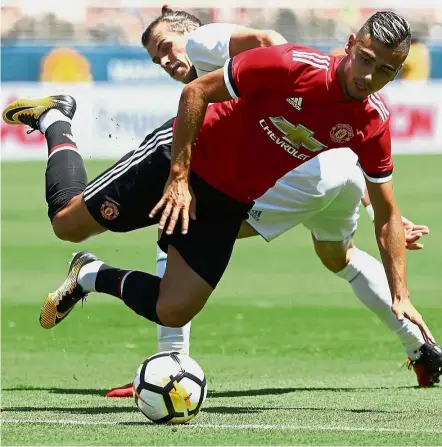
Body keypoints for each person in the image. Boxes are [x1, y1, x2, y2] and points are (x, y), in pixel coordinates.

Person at [3, 11, 441, 390]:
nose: (369, 76)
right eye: (365, 59)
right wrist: (178, 178)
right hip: (182, 159)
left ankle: (90, 274)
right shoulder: (291, 66)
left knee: (173, 310)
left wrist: (400, 294)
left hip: (229, 201)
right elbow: (196, 93)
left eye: (385, 70)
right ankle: (56, 117)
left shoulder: (372, 122)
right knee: (66, 223)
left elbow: (388, 215)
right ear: (350, 45)